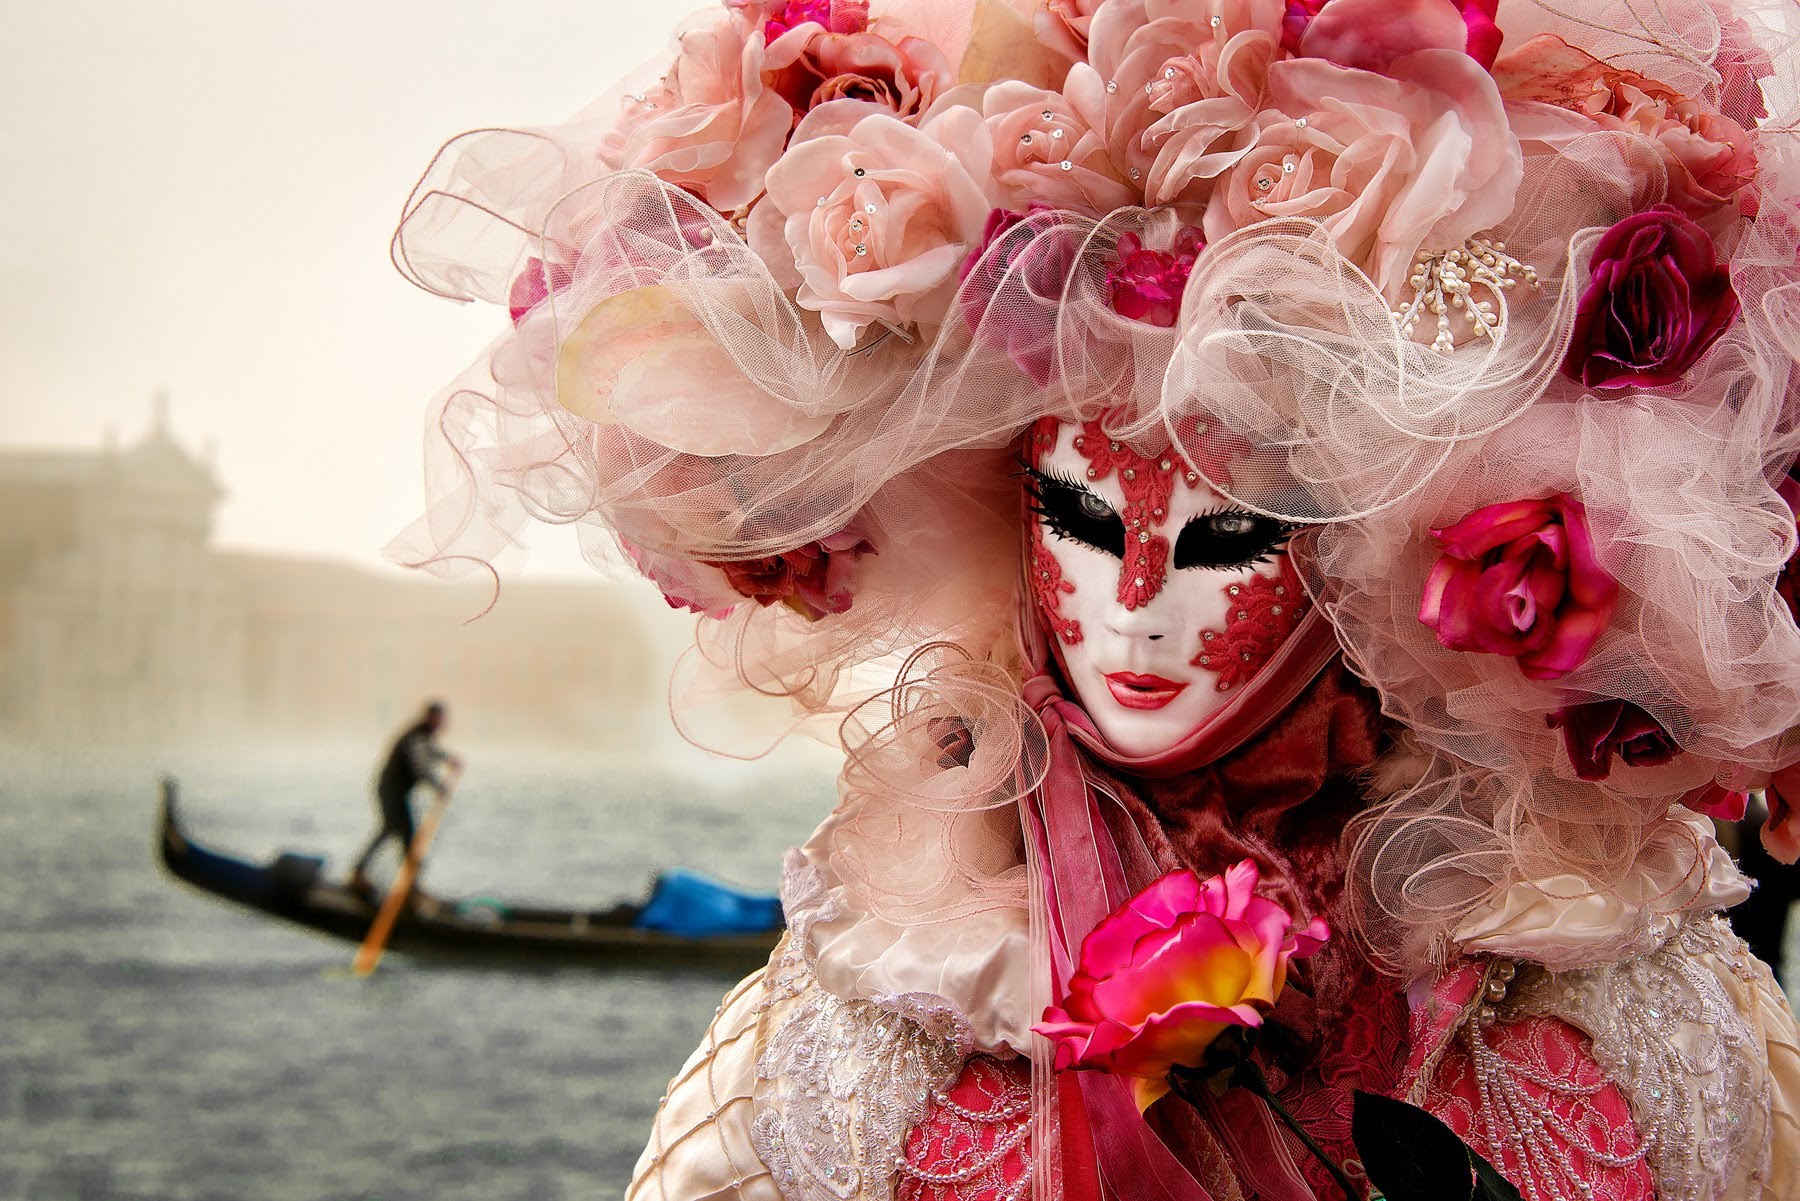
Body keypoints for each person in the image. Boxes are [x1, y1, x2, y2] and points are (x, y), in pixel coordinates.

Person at [388, 0, 1800, 1196]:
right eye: (1074, 520)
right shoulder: (876, 1016)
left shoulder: (1610, 999)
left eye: (1226, 542)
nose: (1132, 611)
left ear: (1354, 552)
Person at [347, 701, 460, 899]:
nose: (441, 723)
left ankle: (406, 883)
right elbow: (420, 767)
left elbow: (431, 752)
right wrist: (438, 786)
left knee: (399, 832)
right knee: (397, 830)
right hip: (390, 791)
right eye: (439, 718)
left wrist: (448, 758)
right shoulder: (415, 736)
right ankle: (372, 876)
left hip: (396, 792)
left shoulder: (423, 736)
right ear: (430, 717)